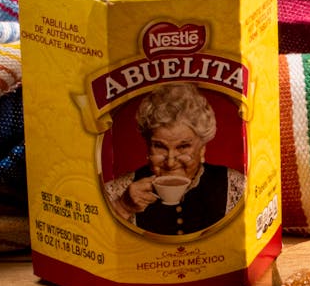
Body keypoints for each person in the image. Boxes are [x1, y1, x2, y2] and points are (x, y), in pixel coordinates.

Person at [104, 82, 244, 235]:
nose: (170, 162)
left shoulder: (236, 187)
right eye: (159, 146)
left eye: (183, 147)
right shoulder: (118, 192)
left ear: (202, 148)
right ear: (147, 146)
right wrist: (123, 207)